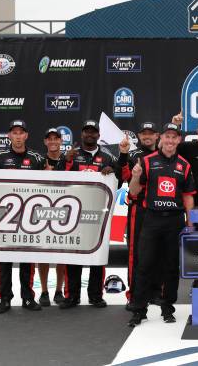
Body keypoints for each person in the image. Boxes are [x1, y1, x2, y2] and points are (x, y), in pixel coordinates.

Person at [127, 123, 195, 327]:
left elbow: (188, 197)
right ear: (161, 139)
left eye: (174, 137)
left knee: (171, 266)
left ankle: (168, 308)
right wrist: (136, 176)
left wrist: (190, 224)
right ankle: (139, 309)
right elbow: (134, 192)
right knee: (144, 264)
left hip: (174, 220)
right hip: (152, 219)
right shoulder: (146, 161)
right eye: (167, 137)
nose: (170, 141)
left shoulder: (185, 164)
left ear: (179, 141)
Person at [0, 120, 46, 314]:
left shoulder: (36, 158)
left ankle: (27, 297)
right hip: (5, 217)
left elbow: (50, 184)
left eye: (21, 133)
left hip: (29, 217)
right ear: (9, 135)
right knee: (5, 260)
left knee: (27, 259)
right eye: (14, 133)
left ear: (26, 135)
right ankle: (5, 299)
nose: (17, 136)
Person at [58, 119, 123, 309]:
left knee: (97, 255)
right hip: (73, 214)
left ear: (98, 135)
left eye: (93, 132)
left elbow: (117, 184)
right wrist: (66, 160)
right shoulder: (72, 155)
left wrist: (112, 173)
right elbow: (58, 179)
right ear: (81, 134)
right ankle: (72, 296)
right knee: (73, 256)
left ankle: (95, 295)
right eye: (86, 131)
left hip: (98, 215)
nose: (89, 134)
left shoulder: (108, 157)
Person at [120, 122, 160, 308]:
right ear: (139, 135)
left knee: (158, 252)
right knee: (135, 252)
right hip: (139, 207)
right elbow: (123, 177)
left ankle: (156, 292)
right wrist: (123, 155)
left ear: (157, 135)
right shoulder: (133, 155)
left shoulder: (164, 155)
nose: (147, 136)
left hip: (160, 208)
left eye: (150, 133)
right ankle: (134, 295)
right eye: (143, 133)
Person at [37, 127, 66, 306]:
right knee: (44, 253)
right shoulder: (39, 160)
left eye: (56, 138)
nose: (53, 141)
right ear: (45, 141)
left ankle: (59, 291)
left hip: (64, 210)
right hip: (43, 210)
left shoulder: (69, 160)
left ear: (61, 141)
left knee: (62, 253)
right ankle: (44, 291)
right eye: (50, 138)